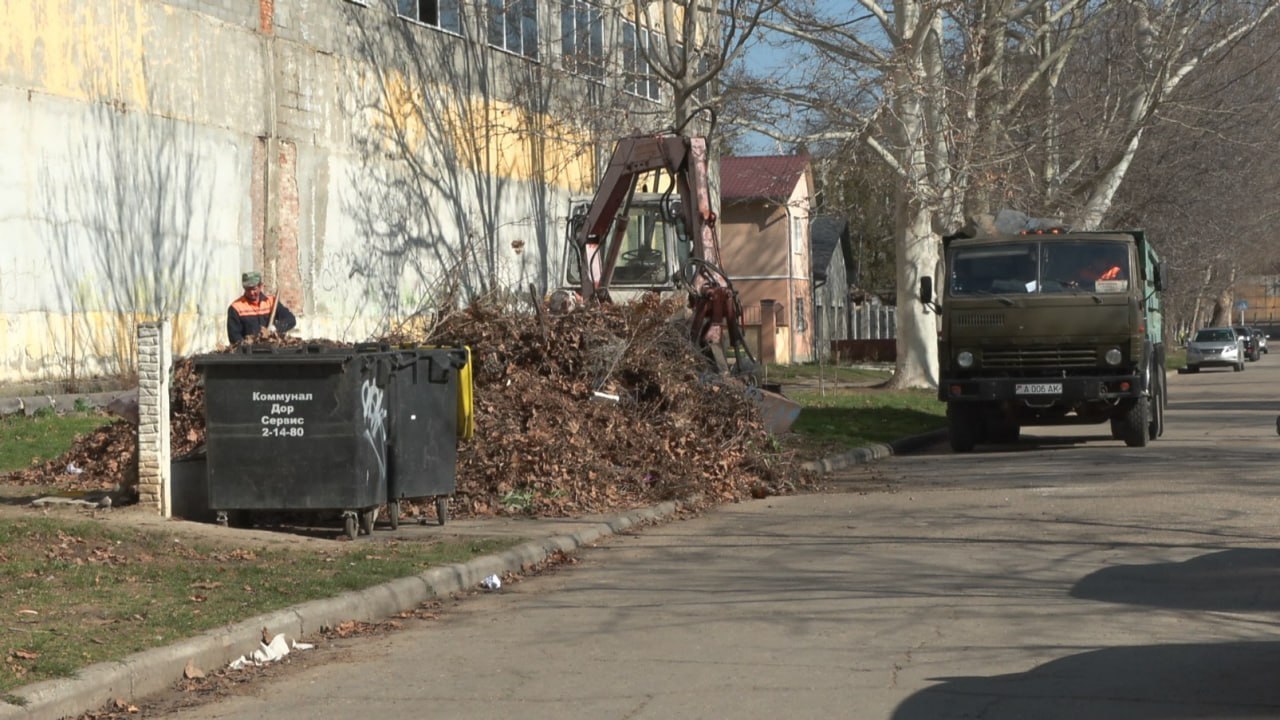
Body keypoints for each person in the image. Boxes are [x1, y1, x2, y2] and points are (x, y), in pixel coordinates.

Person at [227, 271, 296, 344]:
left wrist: (275, 328)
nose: (251, 293)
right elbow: (234, 337)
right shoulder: (236, 307)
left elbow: (291, 320)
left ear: (261, 286)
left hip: (272, 349)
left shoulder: (271, 302)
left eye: (254, 289)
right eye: (248, 289)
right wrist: (247, 345)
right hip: (249, 352)